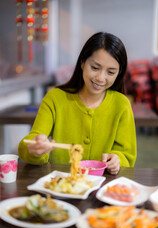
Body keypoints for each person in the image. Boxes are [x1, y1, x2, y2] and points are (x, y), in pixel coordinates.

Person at [18, 32, 137, 175]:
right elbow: (29, 142)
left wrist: (117, 159)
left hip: (103, 188)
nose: (100, 78)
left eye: (110, 72)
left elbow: (127, 155)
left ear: (119, 73)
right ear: (82, 63)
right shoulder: (55, 98)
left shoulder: (121, 104)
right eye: (94, 68)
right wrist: (34, 148)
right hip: (61, 185)